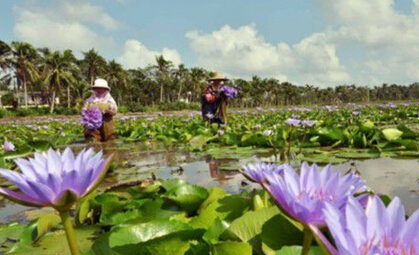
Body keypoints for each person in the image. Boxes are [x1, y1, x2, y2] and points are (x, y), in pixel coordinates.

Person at [83, 78, 118, 142]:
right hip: (93, 123)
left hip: (106, 121)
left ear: (105, 89)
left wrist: (108, 111)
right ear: (95, 89)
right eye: (97, 88)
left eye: (101, 88)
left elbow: (115, 111)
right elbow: (84, 112)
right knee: (92, 140)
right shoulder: (89, 100)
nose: (99, 90)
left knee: (109, 140)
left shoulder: (110, 100)